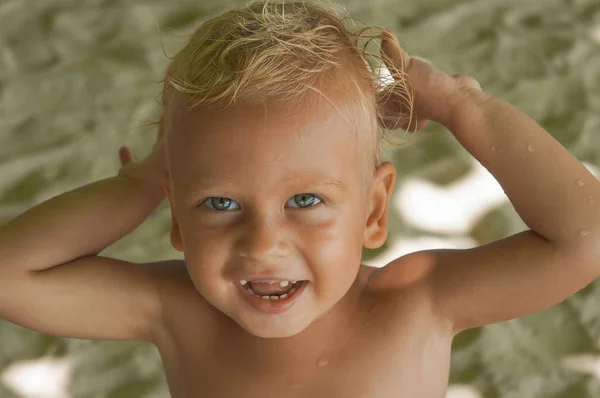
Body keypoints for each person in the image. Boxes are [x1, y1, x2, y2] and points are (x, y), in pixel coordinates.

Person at [1, 1, 599, 396]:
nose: (263, 243)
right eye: (220, 204)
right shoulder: (178, 311)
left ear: (372, 211)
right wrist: (137, 185)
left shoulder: (417, 304)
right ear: (177, 219)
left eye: (306, 200)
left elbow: (585, 238)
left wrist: (463, 107)